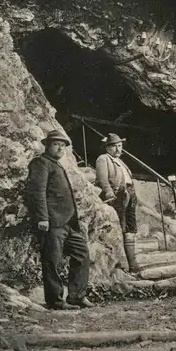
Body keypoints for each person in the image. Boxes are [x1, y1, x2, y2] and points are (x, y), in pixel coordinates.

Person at [26, 129, 93, 310]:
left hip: (68, 223)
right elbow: (37, 192)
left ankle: (76, 297)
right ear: (47, 145)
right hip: (52, 222)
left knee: (82, 254)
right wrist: (42, 217)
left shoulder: (56, 164)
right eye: (56, 144)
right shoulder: (41, 163)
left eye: (62, 145)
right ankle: (55, 301)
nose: (60, 148)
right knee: (52, 261)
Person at [95, 133, 139, 273]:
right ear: (107, 147)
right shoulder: (104, 159)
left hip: (129, 194)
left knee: (131, 227)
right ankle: (124, 264)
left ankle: (133, 263)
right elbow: (102, 178)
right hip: (117, 196)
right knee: (121, 226)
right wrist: (108, 192)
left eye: (119, 146)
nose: (118, 149)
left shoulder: (121, 162)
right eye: (114, 146)